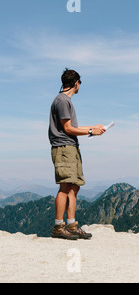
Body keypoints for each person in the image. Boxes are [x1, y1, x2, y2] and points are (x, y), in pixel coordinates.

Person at [48, 68, 106, 240]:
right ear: (76, 83)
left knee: (75, 186)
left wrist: (92, 129)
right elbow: (67, 128)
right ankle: (59, 226)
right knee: (65, 186)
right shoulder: (62, 101)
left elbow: (71, 128)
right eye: (80, 83)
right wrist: (90, 130)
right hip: (64, 147)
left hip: (70, 147)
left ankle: (71, 225)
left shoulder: (64, 100)